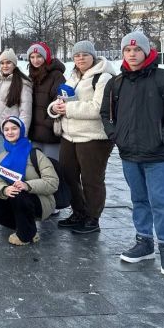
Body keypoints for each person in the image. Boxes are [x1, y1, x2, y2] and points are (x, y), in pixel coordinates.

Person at [101, 31, 164, 277]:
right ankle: (144, 242)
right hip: (130, 154)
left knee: (161, 203)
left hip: (158, 156)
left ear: (146, 51)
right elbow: (105, 115)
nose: (132, 54)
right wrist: (116, 135)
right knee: (139, 201)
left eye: (136, 50)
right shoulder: (116, 83)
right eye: (127, 51)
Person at [48, 40, 114, 235]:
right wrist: (54, 108)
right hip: (70, 136)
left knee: (91, 179)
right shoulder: (74, 76)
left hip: (93, 137)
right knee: (69, 176)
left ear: (92, 56)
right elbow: (61, 99)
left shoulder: (103, 77)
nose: (80, 58)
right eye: (77, 55)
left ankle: (93, 218)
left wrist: (66, 108)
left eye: (85, 55)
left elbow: (97, 108)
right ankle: (78, 212)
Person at [0, 116, 59, 245]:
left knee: (19, 195)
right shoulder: (1, 157)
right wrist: (4, 189)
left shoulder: (35, 154)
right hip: (14, 200)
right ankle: (29, 230)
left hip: (39, 200)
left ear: (21, 130)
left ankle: (25, 236)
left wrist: (27, 185)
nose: (10, 132)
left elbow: (52, 182)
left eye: (14, 128)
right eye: (6, 129)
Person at [27, 42, 66, 160]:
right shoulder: (31, 76)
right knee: (37, 167)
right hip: (34, 133)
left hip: (50, 133)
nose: (35, 60)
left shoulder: (56, 76)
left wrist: (47, 123)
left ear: (46, 57)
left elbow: (60, 100)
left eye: (39, 56)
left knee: (53, 166)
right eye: (32, 57)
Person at [0, 48, 33, 157]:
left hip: (14, 132)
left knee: (14, 164)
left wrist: (22, 133)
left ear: (14, 64)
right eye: (2, 63)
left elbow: (26, 111)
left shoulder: (22, 83)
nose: (5, 66)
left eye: (8, 62)